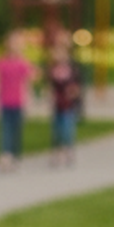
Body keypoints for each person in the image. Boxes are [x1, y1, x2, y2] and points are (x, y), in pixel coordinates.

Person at [0, 31, 34, 169]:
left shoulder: (23, 64)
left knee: (16, 130)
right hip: (4, 102)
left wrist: (29, 102)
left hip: (18, 102)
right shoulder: (0, 63)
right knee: (6, 130)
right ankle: (5, 155)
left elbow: (27, 84)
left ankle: (14, 154)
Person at [46, 33, 81, 167]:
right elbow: (50, 86)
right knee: (57, 130)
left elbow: (76, 87)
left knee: (67, 130)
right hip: (57, 104)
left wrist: (73, 93)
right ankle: (58, 152)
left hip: (68, 105)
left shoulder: (72, 70)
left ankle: (68, 150)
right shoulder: (53, 70)